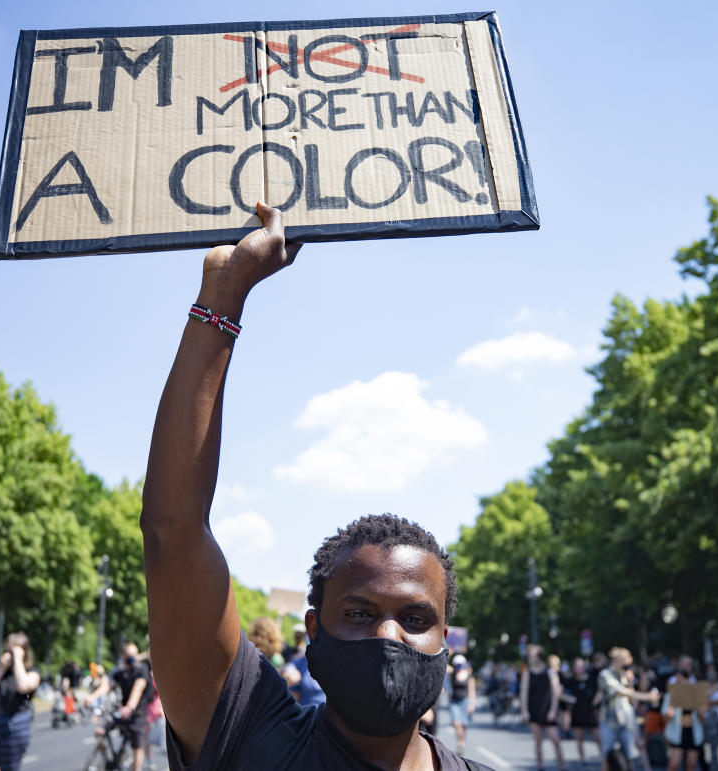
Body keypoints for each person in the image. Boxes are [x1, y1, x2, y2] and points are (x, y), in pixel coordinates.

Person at [139, 203, 492, 770]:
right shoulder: (250, 738)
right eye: (357, 613)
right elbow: (173, 529)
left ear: (446, 641)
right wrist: (224, 296)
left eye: (417, 619)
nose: (388, 637)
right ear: (312, 631)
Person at [0, 632, 41, 771]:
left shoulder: (33, 672)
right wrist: (1, 668)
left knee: (9, 768)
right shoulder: (1, 672)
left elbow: (23, 687)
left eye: (12, 651)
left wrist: (18, 660)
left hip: (17, 725)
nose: (8, 654)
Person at [85, 642, 153, 771]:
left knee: (137, 745)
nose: (132, 658)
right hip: (121, 711)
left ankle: (136, 768)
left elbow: (138, 688)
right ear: (123, 656)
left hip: (137, 713)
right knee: (100, 731)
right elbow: (107, 685)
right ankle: (107, 760)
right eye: (129, 655)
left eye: (134, 655)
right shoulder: (119, 671)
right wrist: (92, 697)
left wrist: (130, 706)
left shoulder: (142, 669)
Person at [598, 647, 659, 771]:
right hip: (609, 721)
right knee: (606, 756)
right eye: (626, 659)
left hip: (626, 719)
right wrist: (647, 696)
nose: (629, 663)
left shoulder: (625, 675)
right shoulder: (605, 674)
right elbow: (621, 692)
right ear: (619, 660)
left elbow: (632, 700)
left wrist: (630, 683)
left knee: (630, 755)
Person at [520, 645, 564, 771]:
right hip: (534, 710)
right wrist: (524, 711)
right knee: (538, 740)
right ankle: (540, 766)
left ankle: (562, 766)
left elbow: (556, 693)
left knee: (556, 740)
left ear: (539, 656)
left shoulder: (550, 672)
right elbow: (524, 692)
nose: (529, 657)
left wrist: (553, 711)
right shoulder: (528, 672)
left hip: (548, 710)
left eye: (532, 655)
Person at [662, 655, 704, 771]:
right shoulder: (673, 683)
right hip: (677, 730)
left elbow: (702, 712)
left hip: (693, 729)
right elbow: (666, 712)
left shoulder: (695, 682)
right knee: (674, 764)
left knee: (691, 765)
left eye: (689, 664)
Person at [564, 657, 600, 762]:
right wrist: (569, 699)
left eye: (581, 665)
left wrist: (595, 702)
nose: (579, 668)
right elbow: (559, 691)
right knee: (579, 738)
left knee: (597, 737)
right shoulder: (571, 681)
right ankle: (582, 759)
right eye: (577, 666)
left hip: (590, 711)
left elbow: (600, 690)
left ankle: (603, 757)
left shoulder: (591, 679)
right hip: (577, 711)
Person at [448, 652, 476, 754]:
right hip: (455, 702)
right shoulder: (453, 673)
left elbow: (472, 690)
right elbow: (444, 664)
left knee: (463, 725)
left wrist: (472, 704)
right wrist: (449, 653)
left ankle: (462, 743)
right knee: (456, 723)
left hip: (465, 701)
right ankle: (460, 743)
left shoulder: (468, 675)